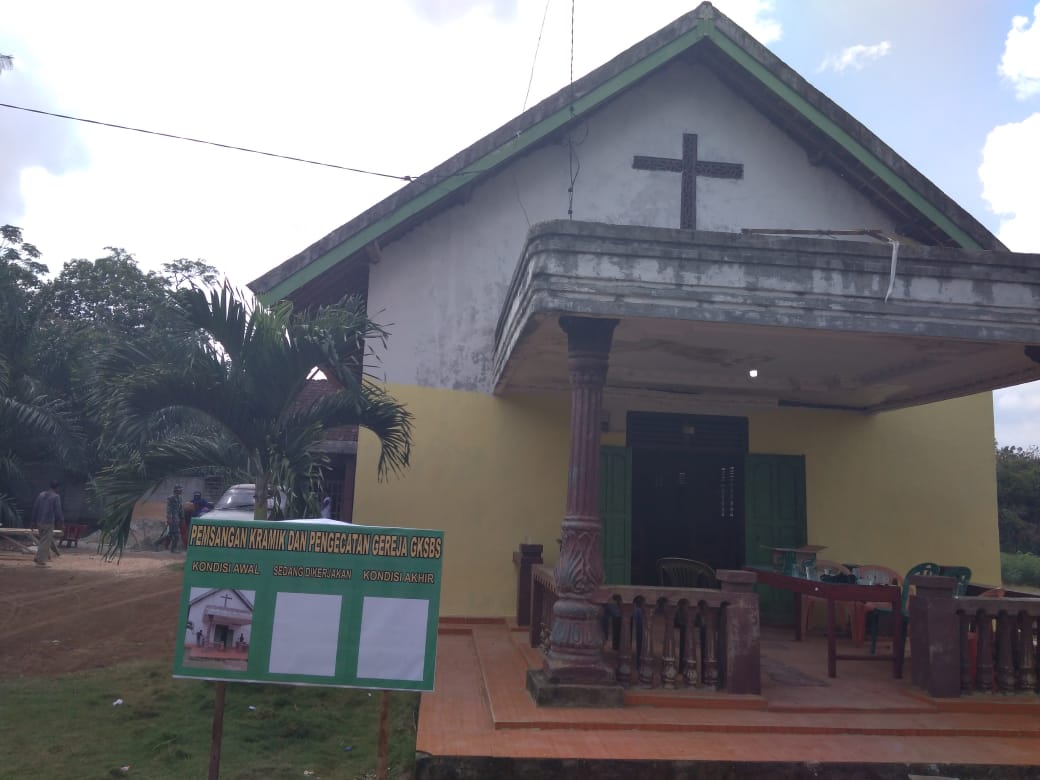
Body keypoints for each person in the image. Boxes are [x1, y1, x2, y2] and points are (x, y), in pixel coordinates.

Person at [31, 481, 64, 567]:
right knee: (46, 542)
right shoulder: (56, 497)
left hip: (39, 522)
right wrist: (61, 522)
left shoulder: (41, 494)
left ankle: (37, 557)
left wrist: (33, 521)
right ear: (57, 488)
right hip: (48, 522)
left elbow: (35, 507)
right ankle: (41, 561)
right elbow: (58, 511)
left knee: (42, 541)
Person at [159, 485, 184, 553]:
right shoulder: (171, 498)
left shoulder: (180, 498)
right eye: (180, 490)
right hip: (172, 518)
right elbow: (169, 509)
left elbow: (181, 509)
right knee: (176, 535)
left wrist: (182, 518)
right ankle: (173, 549)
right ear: (176, 491)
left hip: (177, 518)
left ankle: (157, 543)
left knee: (171, 534)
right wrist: (169, 518)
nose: (181, 491)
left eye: (181, 490)